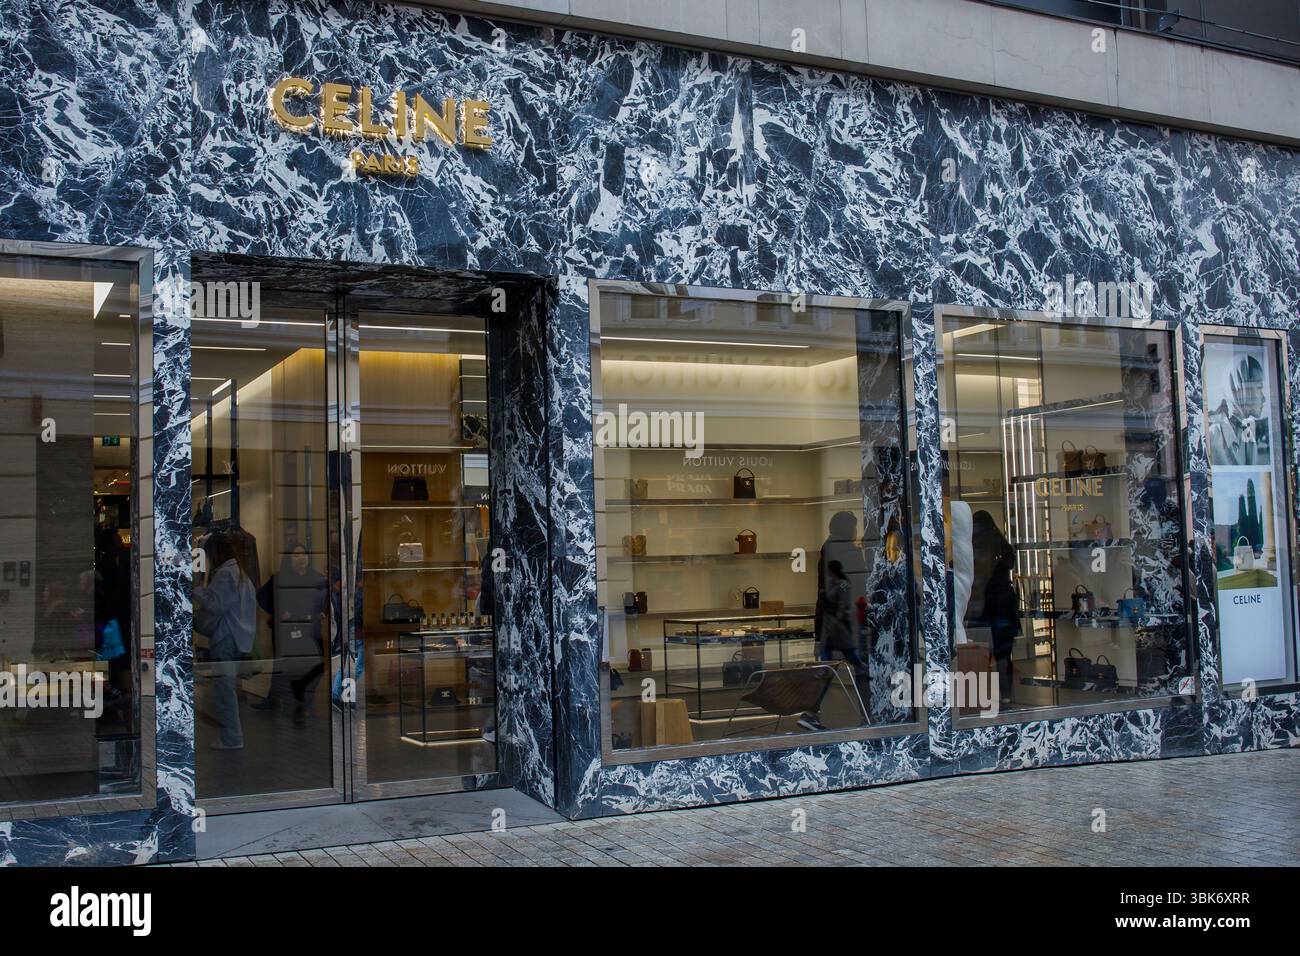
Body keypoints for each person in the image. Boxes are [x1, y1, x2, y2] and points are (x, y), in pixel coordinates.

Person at [193, 530, 258, 750]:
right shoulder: (241, 573)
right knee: (226, 689)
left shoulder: (225, 574)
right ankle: (232, 736)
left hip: (226, 637)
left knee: (224, 691)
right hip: (239, 638)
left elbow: (215, 605)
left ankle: (232, 737)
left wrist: (197, 591)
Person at [255, 541, 329, 727]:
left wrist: (322, 613)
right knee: (284, 668)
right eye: (296, 555)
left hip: (311, 630)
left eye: (303, 554)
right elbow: (262, 597)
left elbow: (326, 600)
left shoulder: (317, 578)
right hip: (287, 631)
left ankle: (304, 702)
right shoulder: (280, 579)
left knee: (315, 666)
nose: (301, 558)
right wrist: (279, 612)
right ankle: (284, 703)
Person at [970, 510, 1019, 704]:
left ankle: (980, 696)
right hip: (1004, 606)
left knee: (980, 652)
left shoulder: (977, 547)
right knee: (1003, 653)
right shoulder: (1002, 547)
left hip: (985, 606)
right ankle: (1006, 694)